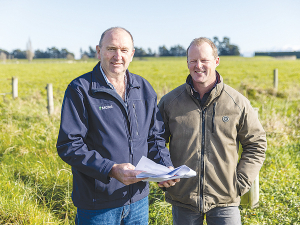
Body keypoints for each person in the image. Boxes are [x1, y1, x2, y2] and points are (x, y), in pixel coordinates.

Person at [56, 27, 179, 225]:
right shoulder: (80, 90)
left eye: (124, 50)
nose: (118, 56)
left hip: (138, 201)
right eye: (111, 49)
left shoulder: (144, 88)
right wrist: (111, 169)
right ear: (98, 51)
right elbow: (69, 145)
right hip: (97, 206)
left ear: (132, 53)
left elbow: (154, 137)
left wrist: (165, 167)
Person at [158, 37, 267, 225]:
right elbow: (156, 141)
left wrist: (240, 183)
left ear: (216, 61)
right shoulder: (170, 102)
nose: (198, 66)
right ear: (187, 63)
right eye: (193, 61)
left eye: (204, 60)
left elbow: (256, 144)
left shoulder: (237, 103)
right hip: (183, 199)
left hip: (225, 201)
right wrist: (164, 173)